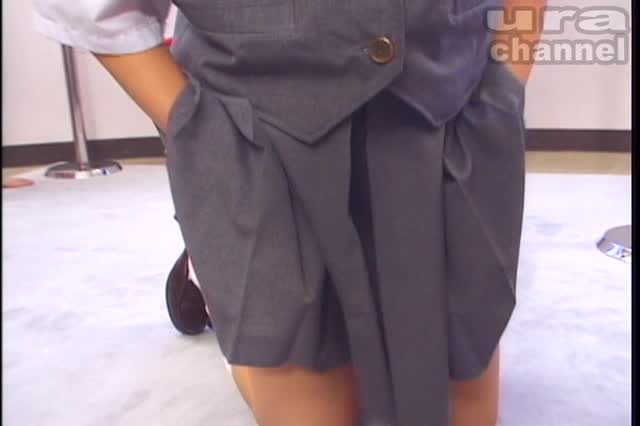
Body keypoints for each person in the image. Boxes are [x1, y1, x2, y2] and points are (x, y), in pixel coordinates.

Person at [33, 1, 545, 424]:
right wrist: (197, 130)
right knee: (301, 372)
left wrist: (503, 91)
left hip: (449, 117)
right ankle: (215, 287)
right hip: (262, 134)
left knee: (453, 378)